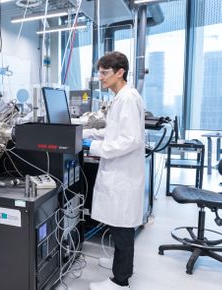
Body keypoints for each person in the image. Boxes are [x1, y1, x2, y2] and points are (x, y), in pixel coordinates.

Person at [83, 51, 145, 290]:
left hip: (124, 175)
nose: (101, 78)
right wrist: (88, 134)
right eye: (99, 73)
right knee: (121, 225)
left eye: (105, 73)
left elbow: (130, 140)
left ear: (120, 72)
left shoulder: (128, 98)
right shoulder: (122, 97)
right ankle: (120, 265)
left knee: (123, 227)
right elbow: (115, 131)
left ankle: (121, 281)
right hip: (121, 173)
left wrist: (95, 146)